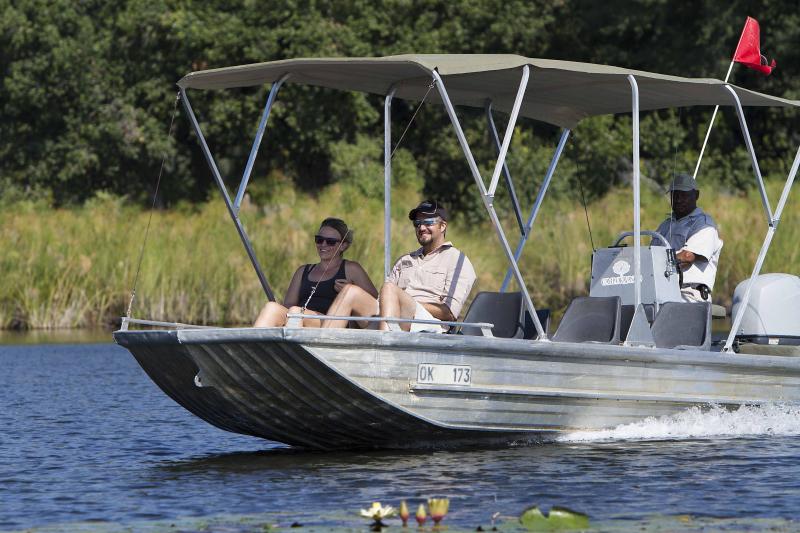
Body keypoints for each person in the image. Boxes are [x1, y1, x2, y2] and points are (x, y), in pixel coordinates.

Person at [322, 200, 476, 332]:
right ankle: (322, 347)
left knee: (389, 289)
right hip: (391, 317)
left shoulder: (458, 260)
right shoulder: (405, 260)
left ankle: (384, 351)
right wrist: (391, 301)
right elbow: (383, 300)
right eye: (417, 223)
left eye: (428, 222)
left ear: (442, 226)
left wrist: (403, 301)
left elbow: (449, 313)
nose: (421, 228)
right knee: (351, 291)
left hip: (426, 325)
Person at [254, 217, 377, 327]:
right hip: (300, 317)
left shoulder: (351, 268)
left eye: (330, 242)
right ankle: (252, 349)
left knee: (296, 313)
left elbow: (372, 302)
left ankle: (296, 347)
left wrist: (348, 289)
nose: (323, 244)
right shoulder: (303, 271)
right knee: (271, 307)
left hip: (331, 322)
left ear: (343, 246)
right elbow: (288, 306)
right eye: (319, 239)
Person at [653, 173, 723, 303]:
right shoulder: (665, 225)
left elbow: (687, 257)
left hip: (689, 294)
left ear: (696, 195)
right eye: (675, 195)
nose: (679, 199)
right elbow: (651, 253)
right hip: (661, 290)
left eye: (684, 195)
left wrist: (654, 264)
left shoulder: (704, 224)